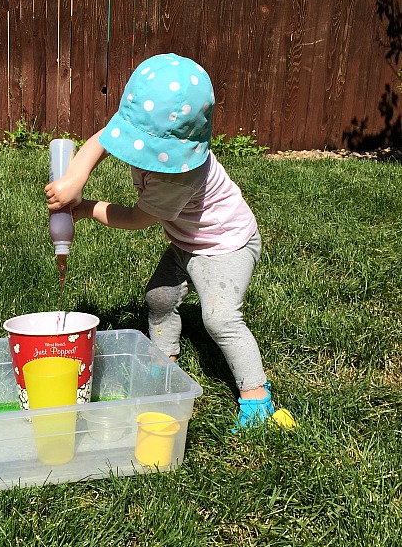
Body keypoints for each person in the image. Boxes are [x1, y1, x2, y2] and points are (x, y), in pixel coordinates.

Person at [45, 53, 294, 432]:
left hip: (225, 245)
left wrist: (86, 208)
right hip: (185, 239)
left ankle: (256, 396)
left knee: (220, 319)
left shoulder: (179, 177)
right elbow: (102, 139)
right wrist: (75, 178)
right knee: (159, 298)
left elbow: (136, 219)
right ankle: (165, 361)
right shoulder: (145, 129)